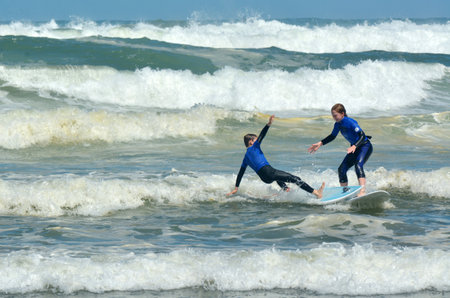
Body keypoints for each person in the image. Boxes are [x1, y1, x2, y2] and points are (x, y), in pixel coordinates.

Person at [227, 115, 324, 198]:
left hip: (264, 178)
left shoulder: (245, 158)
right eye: (255, 140)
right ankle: (316, 193)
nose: (257, 141)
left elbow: (240, 173)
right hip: (269, 172)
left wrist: (236, 188)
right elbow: (262, 135)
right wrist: (268, 124)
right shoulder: (254, 147)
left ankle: (286, 190)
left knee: (278, 177)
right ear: (251, 142)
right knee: (295, 179)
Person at [308, 103, 372, 196]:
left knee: (358, 165)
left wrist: (354, 146)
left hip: (365, 146)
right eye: (333, 116)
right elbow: (332, 136)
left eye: (335, 115)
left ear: (342, 113)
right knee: (341, 169)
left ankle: (362, 191)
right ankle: (345, 192)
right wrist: (320, 143)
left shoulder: (350, 122)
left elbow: (362, 136)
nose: (334, 117)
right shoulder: (337, 124)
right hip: (354, 148)